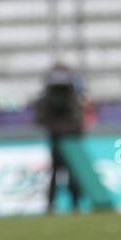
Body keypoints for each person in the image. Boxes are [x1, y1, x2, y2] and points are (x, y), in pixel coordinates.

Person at [35, 62, 88, 213]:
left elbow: (42, 119)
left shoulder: (69, 99)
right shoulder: (69, 99)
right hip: (63, 139)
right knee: (63, 172)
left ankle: (66, 204)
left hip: (65, 139)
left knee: (68, 173)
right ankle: (61, 204)